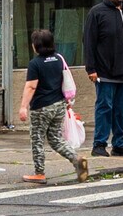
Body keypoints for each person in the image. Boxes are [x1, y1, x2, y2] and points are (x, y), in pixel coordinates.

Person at [18, 28, 87, 184]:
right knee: (55, 138)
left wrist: (23, 107)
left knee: (37, 140)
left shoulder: (35, 64)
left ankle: (39, 173)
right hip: (59, 105)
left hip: (41, 107)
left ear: (36, 45)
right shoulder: (58, 59)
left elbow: (31, 86)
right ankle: (76, 159)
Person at [82, 0, 123, 157]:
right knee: (104, 108)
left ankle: (119, 144)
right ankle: (99, 144)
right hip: (105, 72)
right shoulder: (97, 12)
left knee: (121, 110)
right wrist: (91, 68)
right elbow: (89, 42)